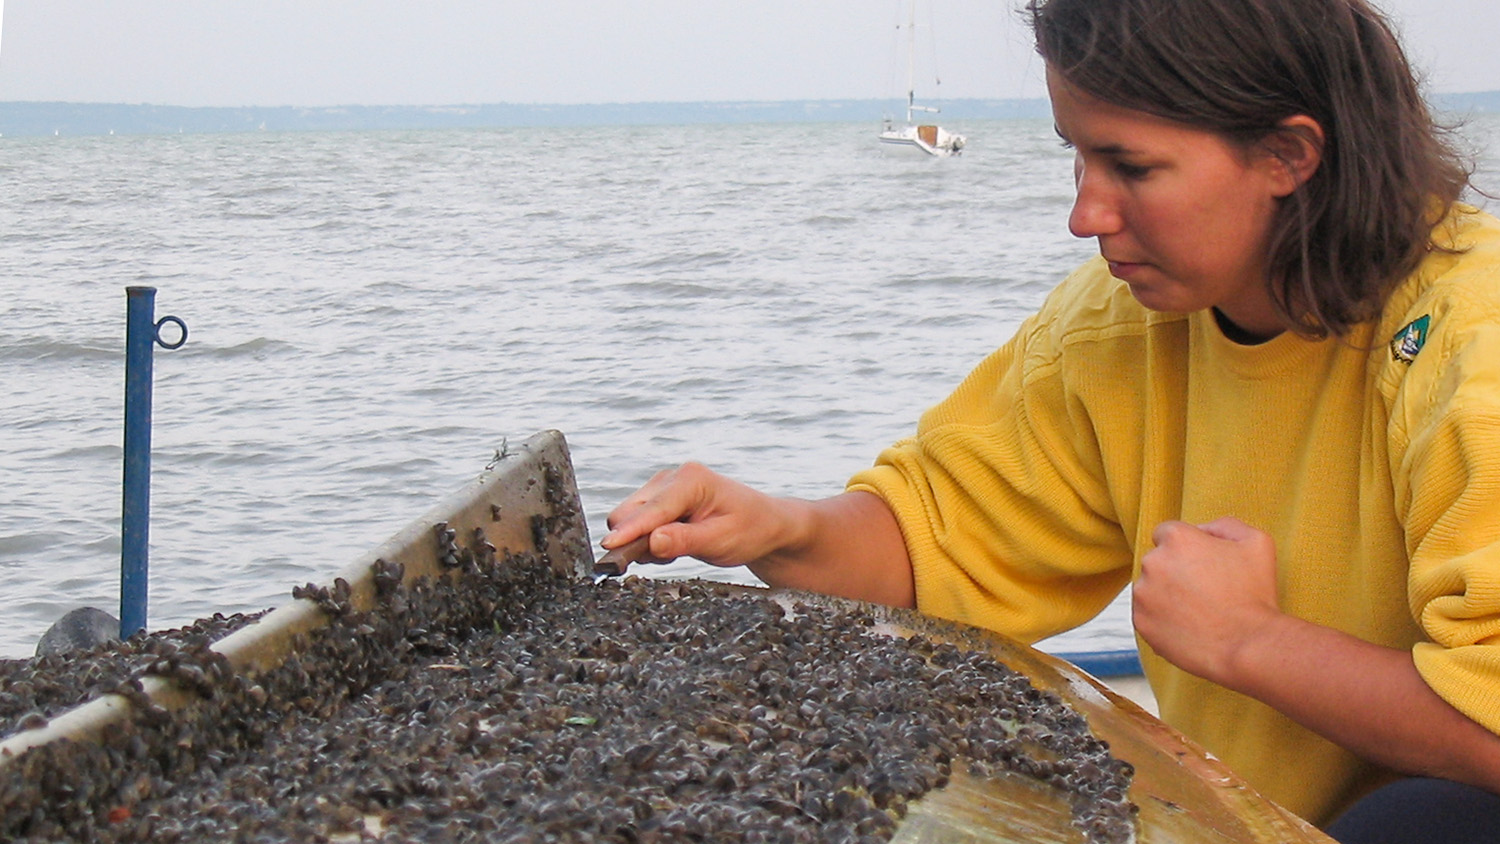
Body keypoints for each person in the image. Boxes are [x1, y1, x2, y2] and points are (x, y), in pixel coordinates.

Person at [602, 0, 1500, 840]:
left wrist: (1249, 640)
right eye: (1076, 155)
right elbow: (934, 542)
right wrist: (780, 527)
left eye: (1132, 167)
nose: (1086, 215)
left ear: (1288, 154)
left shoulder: (1469, 340)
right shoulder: (1124, 330)